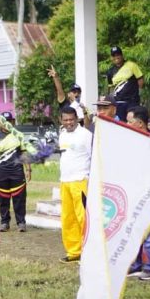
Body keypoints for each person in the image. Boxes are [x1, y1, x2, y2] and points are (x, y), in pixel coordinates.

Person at [125, 106, 150, 281]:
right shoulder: (130, 140)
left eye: (129, 121)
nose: (126, 124)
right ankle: (135, 262)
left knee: (149, 230)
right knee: (133, 228)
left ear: (139, 123)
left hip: (148, 192)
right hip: (132, 190)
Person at [57, 106, 92, 263]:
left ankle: (89, 251)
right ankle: (74, 251)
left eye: (71, 119)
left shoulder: (86, 135)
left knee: (83, 218)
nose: (69, 122)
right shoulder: (62, 135)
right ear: (61, 120)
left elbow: (93, 157)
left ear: (77, 118)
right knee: (68, 218)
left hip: (81, 181)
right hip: (65, 181)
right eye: (65, 120)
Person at [0, 111, 31, 232]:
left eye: (8, 121)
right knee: (3, 200)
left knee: (19, 199)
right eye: (3, 121)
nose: (6, 123)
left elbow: (24, 153)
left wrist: (28, 169)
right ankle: (4, 223)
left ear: (12, 122)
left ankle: (21, 223)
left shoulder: (19, 135)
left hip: (17, 173)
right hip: (1, 173)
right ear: (0, 123)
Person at [106, 46, 144, 120]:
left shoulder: (131, 65)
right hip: (118, 102)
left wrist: (138, 95)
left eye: (118, 54)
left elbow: (140, 80)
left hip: (132, 101)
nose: (116, 57)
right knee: (120, 124)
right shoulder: (110, 71)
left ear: (122, 55)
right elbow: (110, 88)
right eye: (114, 55)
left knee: (132, 122)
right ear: (112, 58)